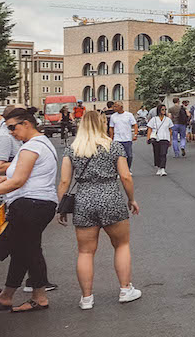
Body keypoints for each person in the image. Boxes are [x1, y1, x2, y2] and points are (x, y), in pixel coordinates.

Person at [0, 108, 59, 313]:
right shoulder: (40, 144)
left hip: (31, 205)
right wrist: (6, 178)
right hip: (37, 203)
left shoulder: (32, 147)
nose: (11, 132)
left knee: (28, 251)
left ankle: (37, 297)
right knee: (24, 250)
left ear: (26, 124)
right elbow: (28, 175)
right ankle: (9, 295)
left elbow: (19, 181)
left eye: (12, 127)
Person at [56, 109, 142, 310]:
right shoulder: (113, 147)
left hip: (84, 200)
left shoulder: (72, 149)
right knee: (121, 245)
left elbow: (64, 181)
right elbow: (126, 177)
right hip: (111, 197)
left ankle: (86, 298)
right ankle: (125, 289)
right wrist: (131, 199)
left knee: (85, 252)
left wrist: (61, 208)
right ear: (102, 124)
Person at [107, 102, 138, 169]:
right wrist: (111, 137)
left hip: (127, 139)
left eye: (116, 106)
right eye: (114, 106)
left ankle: (127, 169)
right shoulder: (113, 116)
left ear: (121, 107)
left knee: (129, 155)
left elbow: (135, 125)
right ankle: (118, 170)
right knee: (117, 156)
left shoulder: (129, 115)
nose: (114, 108)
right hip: (117, 139)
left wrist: (135, 134)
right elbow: (111, 128)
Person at [146, 103, 174, 176]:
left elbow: (170, 130)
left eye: (165, 109)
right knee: (157, 153)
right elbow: (149, 128)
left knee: (163, 153)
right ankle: (159, 167)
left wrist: (170, 139)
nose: (164, 111)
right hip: (156, 138)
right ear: (159, 110)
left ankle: (163, 168)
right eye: (162, 109)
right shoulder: (154, 119)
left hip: (165, 138)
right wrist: (148, 138)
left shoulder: (168, 119)